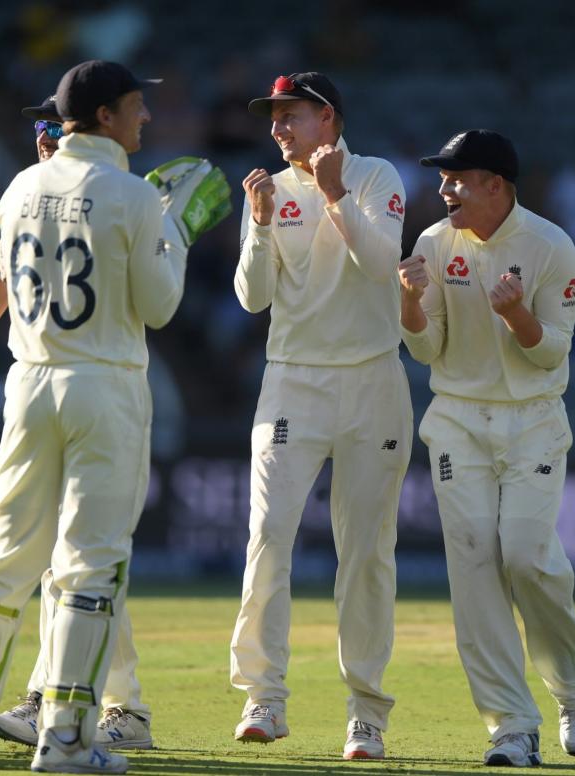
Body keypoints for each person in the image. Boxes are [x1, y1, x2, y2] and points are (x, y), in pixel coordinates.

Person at [0, 60, 229, 773]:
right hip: (105, 384)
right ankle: (65, 739)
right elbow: (157, 307)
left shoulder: (22, 183)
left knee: (1, 558)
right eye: (134, 107)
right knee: (90, 567)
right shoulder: (132, 196)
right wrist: (175, 236)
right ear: (103, 117)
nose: (144, 119)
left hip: (28, 382)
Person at [398, 130, 575, 768]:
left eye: (457, 179)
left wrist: (517, 316)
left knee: (525, 555)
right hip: (457, 417)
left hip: (532, 419)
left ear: (497, 186)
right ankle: (511, 724)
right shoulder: (434, 242)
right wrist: (407, 302)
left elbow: (552, 352)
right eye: (442, 178)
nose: (443, 189)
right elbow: (427, 348)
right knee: (473, 560)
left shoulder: (550, 246)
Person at [230, 71, 412, 761]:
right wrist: (258, 223)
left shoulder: (374, 175)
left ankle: (365, 714)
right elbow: (251, 298)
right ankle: (264, 697)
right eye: (273, 118)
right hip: (292, 383)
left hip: (372, 380)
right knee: (268, 537)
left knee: (365, 553)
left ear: (328, 118)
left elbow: (380, 263)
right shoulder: (272, 190)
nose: (277, 129)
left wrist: (334, 194)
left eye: (292, 116)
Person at [0, 94, 156, 755]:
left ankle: (60, 702)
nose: (47, 138)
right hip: (52, 391)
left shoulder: (118, 198)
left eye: (57, 126)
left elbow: (154, 301)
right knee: (78, 564)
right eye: (39, 127)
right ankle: (117, 706)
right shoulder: (32, 201)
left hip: (104, 391)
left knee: (79, 564)